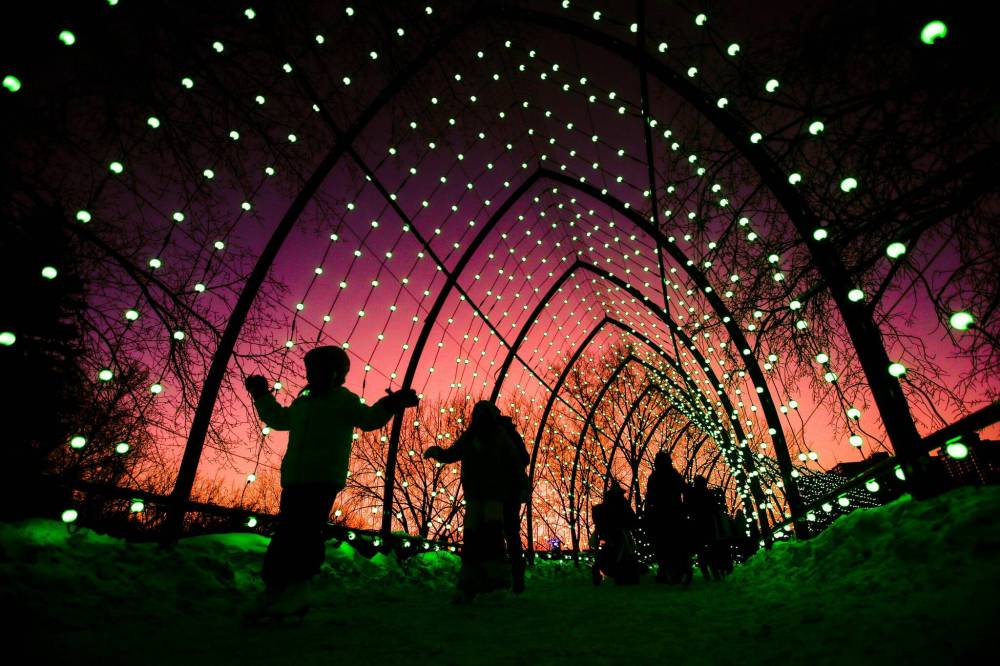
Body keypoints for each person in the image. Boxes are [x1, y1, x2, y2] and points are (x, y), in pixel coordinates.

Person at [243, 345, 418, 620]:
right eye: (311, 369)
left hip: (322, 478)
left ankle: (298, 590)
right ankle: (276, 589)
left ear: (337, 373)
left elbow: (369, 419)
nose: (313, 374)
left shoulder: (343, 401)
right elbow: (279, 419)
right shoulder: (304, 402)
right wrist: (262, 395)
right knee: (287, 532)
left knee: (305, 531)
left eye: (320, 369)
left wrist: (392, 403)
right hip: (295, 478)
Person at [424, 400, 524, 602]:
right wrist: (439, 453)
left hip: (491, 495)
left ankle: (488, 582)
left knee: (487, 536)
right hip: (479, 495)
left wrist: (518, 485)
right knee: (478, 536)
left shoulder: (496, 436)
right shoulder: (479, 436)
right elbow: (453, 453)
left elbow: (515, 462)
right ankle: (478, 582)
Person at [497, 410, 531, 594]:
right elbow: (525, 458)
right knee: (511, 532)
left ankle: (508, 575)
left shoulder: (500, 436)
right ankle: (516, 575)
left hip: (500, 491)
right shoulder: (512, 435)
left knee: (501, 531)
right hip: (510, 491)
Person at [644, 451, 689, 584]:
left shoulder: (655, 476)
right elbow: (685, 490)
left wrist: (648, 512)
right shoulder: (673, 475)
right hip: (673, 514)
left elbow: (649, 497)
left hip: (662, 515)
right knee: (672, 544)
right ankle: (674, 571)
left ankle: (667, 571)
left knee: (663, 545)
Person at [590, 483, 640, 585]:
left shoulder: (603, 507)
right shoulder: (621, 504)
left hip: (605, 533)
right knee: (622, 553)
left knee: (611, 552)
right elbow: (631, 518)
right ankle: (622, 574)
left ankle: (602, 569)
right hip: (619, 532)